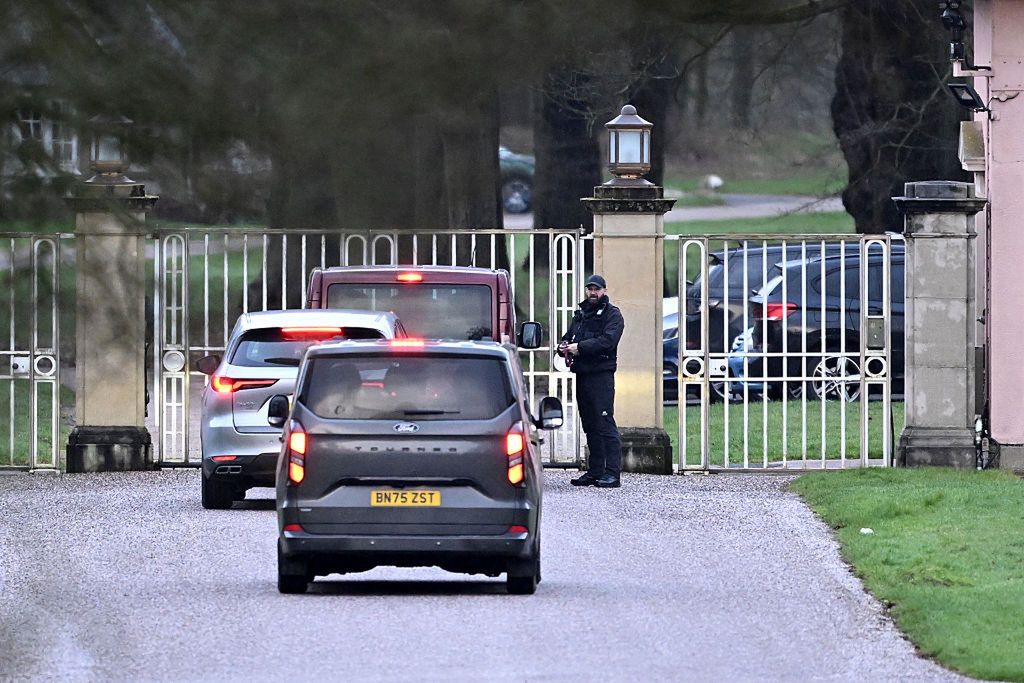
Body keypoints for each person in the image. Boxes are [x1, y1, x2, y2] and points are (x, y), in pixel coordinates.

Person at [559, 274, 625, 488]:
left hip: (601, 375)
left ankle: (613, 473)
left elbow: (607, 341)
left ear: (604, 290)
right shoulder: (581, 314)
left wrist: (579, 348)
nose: (593, 293)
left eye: (596, 289)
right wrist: (564, 346)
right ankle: (595, 471)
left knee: (605, 423)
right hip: (583, 374)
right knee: (590, 424)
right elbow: (569, 335)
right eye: (590, 289)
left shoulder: (612, 314)